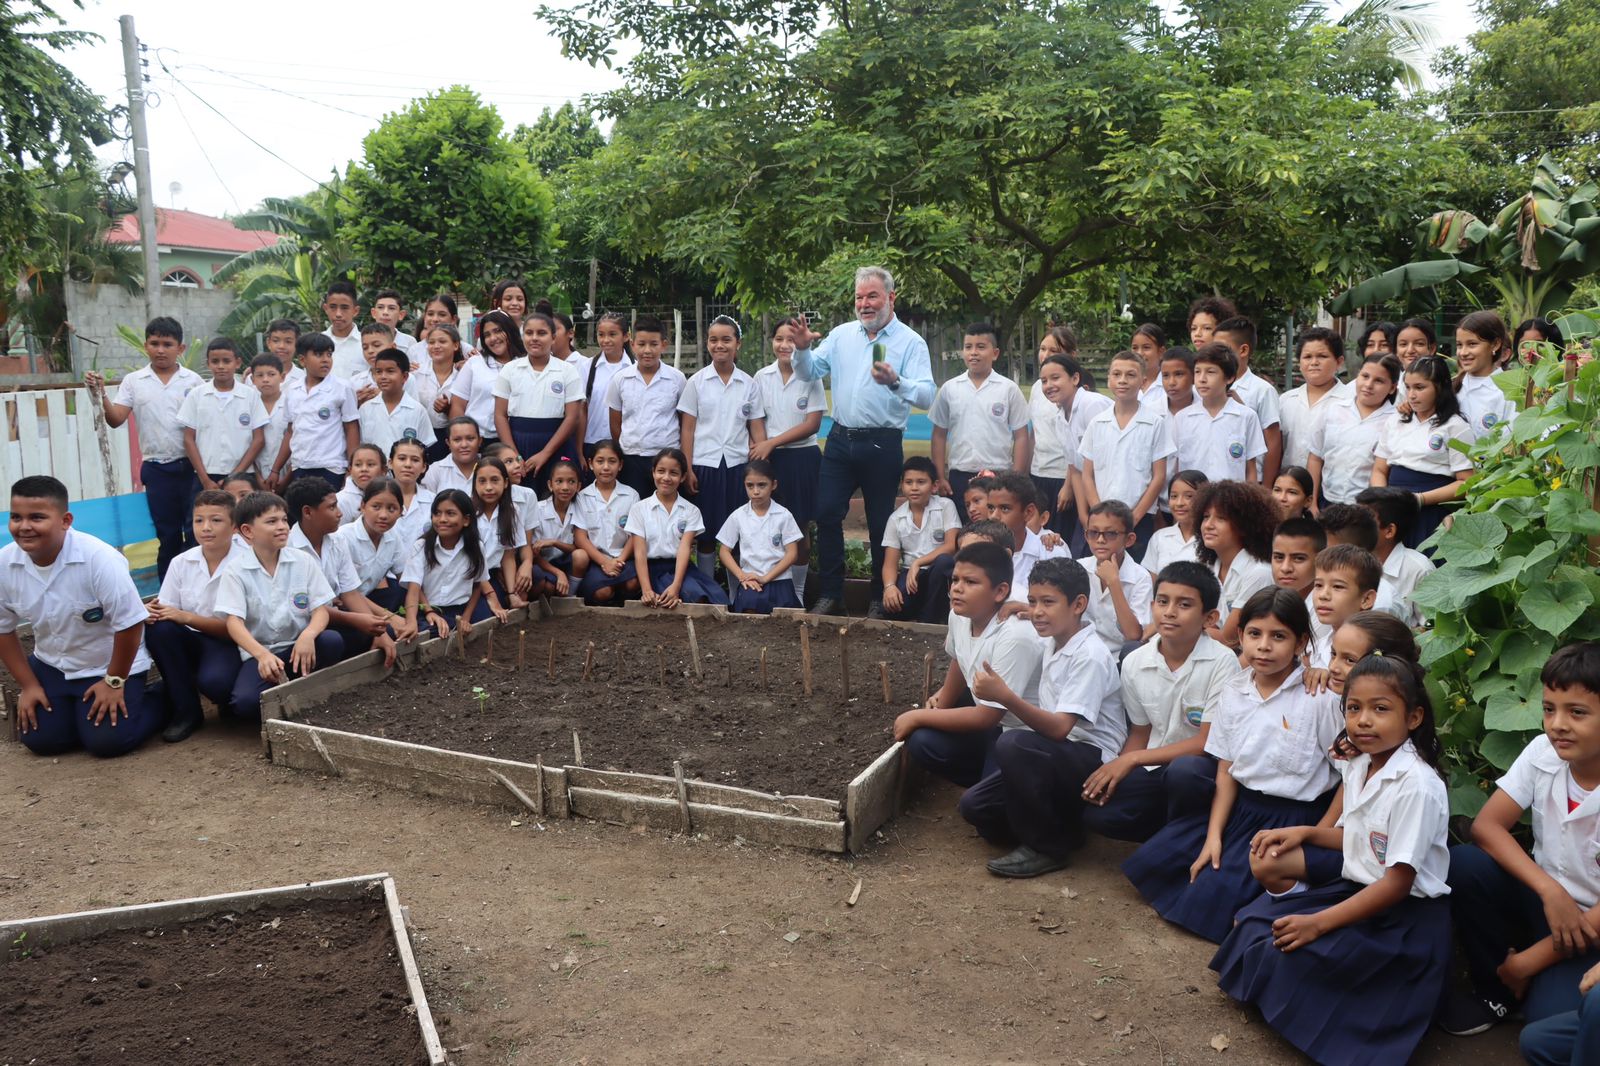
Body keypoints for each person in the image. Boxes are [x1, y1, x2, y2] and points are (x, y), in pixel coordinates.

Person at [1211, 654, 1451, 1066]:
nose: (1363, 721)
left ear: (1413, 718)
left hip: (1402, 917)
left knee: (1296, 950)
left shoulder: (1418, 786)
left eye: (1380, 709)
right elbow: (1357, 837)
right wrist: (1305, 833)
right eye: (1354, 708)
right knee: (1256, 928)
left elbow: (1396, 882)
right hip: (1358, 889)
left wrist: (1318, 921)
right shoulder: (1360, 763)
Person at [1122, 588, 1341, 943]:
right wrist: (1214, 836)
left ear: (1301, 642)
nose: (1264, 646)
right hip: (1243, 811)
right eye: (1255, 634)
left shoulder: (1320, 698)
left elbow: (1348, 775)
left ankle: (1291, 891)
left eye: (1279, 636)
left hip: (1297, 818)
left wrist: (1319, 837)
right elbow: (1226, 769)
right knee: (1165, 862)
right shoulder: (1234, 690)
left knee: (1218, 901)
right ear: (1239, 637)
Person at [1443, 642, 1600, 1037]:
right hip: (1546, 904)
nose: (1557, 724)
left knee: (1545, 1026)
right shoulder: (1544, 752)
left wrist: (1528, 962)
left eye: (1577, 712)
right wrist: (1549, 891)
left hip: (1592, 929)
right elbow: (1487, 826)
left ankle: (1517, 973)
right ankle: (1498, 991)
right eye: (1549, 708)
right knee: (1466, 864)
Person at [957, 557, 1125, 878]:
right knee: (975, 806)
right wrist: (1028, 607)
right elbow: (1041, 613)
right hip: (1058, 753)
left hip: (1091, 760)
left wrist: (1005, 696)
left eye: (1048, 602)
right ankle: (1065, 826)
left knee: (1012, 742)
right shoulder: (1057, 638)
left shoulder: (1088, 655)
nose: (1037, 611)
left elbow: (1061, 729)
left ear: (1079, 605)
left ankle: (1048, 847)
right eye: (1033, 601)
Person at [791, 266, 936, 617]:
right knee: (825, 514)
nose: (865, 303)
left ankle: (877, 597)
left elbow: (928, 395)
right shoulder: (841, 335)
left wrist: (896, 381)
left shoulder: (910, 342)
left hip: (882, 443)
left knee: (880, 523)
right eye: (859, 297)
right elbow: (810, 372)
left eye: (872, 296)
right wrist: (801, 350)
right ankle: (830, 593)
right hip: (840, 439)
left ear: (891, 297)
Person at [0, 476, 162, 756]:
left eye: (37, 517)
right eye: (16, 517)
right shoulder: (5, 563)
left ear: (65, 520)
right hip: (53, 664)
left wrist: (114, 681)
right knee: (41, 740)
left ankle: (164, 697)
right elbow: (3, 629)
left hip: (109, 664)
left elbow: (131, 624)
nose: (24, 527)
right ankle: (77, 715)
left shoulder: (99, 559)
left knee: (108, 742)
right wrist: (28, 685)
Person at [1083, 561, 1240, 842]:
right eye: (1163, 601)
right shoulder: (1134, 662)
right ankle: (1170, 828)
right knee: (1098, 814)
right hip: (1155, 765)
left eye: (1184, 604)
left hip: (1201, 770)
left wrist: (1131, 759)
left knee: (1184, 772)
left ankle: (1182, 835)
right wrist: (1118, 770)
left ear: (1209, 617)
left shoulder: (1223, 662)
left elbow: (1205, 742)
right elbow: (1140, 732)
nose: (1169, 612)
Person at [893, 541, 1043, 788]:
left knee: (983, 811)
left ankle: (998, 783)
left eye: (971, 582)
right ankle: (987, 777)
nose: (957, 589)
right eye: (955, 580)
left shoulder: (1015, 635)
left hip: (1023, 734)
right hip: (993, 727)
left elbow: (987, 717)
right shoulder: (959, 615)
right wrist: (941, 707)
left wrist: (918, 716)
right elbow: (958, 659)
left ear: (1000, 591)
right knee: (923, 743)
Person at [85, 315, 203, 579]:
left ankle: (197, 589)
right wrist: (101, 393)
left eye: (167, 344)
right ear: (146, 346)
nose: (160, 349)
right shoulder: (134, 381)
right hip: (157, 468)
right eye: (155, 343)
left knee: (196, 532)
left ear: (180, 348)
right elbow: (115, 419)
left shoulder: (193, 381)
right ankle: (168, 595)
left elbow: (206, 425)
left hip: (193, 469)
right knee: (168, 534)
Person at [215, 490, 343, 721]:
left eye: (284, 519)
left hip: (299, 647)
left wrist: (308, 635)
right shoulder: (236, 571)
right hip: (263, 652)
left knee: (331, 641)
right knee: (245, 703)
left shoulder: (302, 560)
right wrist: (262, 655)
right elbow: (234, 622)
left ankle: (304, 692)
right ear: (247, 531)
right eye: (271, 521)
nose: (282, 526)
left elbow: (320, 609)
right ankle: (290, 692)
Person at [144, 489, 244, 742]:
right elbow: (166, 609)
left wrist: (185, 617)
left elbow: (239, 628)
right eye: (199, 520)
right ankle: (186, 711)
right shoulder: (181, 562)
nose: (206, 528)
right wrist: (149, 611)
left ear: (234, 527)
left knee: (217, 685)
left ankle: (223, 695)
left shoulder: (246, 562)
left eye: (216, 520)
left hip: (232, 640)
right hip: (193, 640)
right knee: (159, 628)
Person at [679, 315, 765, 583]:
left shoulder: (749, 384)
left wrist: (761, 465)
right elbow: (688, 429)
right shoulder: (696, 382)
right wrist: (688, 468)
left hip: (738, 467)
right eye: (714, 340)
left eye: (726, 340)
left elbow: (756, 427)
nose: (720, 345)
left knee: (737, 533)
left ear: (737, 344)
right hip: (705, 466)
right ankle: (708, 590)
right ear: (707, 344)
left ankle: (736, 591)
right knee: (705, 534)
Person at [283, 477, 397, 664]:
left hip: (335, 618)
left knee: (384, 631)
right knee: (331, 642)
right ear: (308, 512)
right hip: (305, 627)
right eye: (332, 507)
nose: (339, 513)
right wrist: (357, 619)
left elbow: (350, 592)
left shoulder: (337, 540)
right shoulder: (289, 548)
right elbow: (307, 609)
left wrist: (375, 627)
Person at [751, 317, 824, 602]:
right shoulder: (761, 377)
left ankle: (798, 592)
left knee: (798, 527)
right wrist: (762, 449)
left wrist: (771, 442)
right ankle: (768, 589)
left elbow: (813, 424)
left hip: (802, 460)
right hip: (770, 460)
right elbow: (756, 418)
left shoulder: (811, 375)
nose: (785, 345)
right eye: (779, 339)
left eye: (791, 340)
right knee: (768, 524)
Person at [1079, 350, 1174, 559]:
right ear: (1109, 378)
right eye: (1116, 374)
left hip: (1139, 519)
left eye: (1131, 375)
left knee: (1135, 574)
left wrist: (1135, 516)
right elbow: (1087, 474)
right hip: (1102, 522)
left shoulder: (1155, 423)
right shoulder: (1097, 423)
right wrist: (1098, 512)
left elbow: (1159, 476)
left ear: (1143, 380)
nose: (1123, 380)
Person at [1372, 355, 1473, 549]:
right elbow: (1379, 469)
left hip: (1432, 511)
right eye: (1408, 387)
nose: (1411, 395)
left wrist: (1419, 499)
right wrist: (1382, 498)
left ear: (1440, 387)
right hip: (1393, 510)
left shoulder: (1455, 426)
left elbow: (1467, 483)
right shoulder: (1396, 421)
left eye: (1420, 387)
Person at [929, 322, 1030, 504]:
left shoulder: (1008, 389)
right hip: (959, 474)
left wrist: (1016, 478)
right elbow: (939, 435)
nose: (973, 352)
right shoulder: (949, 389)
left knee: (997, 528)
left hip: (999, 475)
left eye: (981, 347)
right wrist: (940, 476)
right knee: (963, 528)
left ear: (995, 353)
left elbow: (1021, 436)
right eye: (968, 347)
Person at [395, 489, 506, 641]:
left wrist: (465, 618)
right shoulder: (421, 546)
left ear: (466, 520)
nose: (442, 519)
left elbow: (478, 584)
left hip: (460, 609)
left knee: (483, 627)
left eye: (450, 513)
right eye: (437, 513)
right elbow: (414, 589)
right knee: (427, 633)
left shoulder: (476, 547)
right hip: (428, 608)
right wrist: (426, 613)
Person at [495, 310, 584, 494]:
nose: (534, 338)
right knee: (520, 499)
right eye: (529, 333)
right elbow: (500, 415)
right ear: (522, 336)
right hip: (518, 443)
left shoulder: (567, 371)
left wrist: (545, 453)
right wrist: (514, 456)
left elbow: (572, 417)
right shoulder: (510, 370)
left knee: (557, 497)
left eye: (541, 333)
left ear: (553, 338)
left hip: (556, 443)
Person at [625, 447, 727, 607]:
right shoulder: (639, 509)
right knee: (694, 596)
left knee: (717, 598)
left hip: (681, 567)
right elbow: (640, 551)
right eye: (661, 471)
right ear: (653, 472)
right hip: (653, 569)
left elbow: (685, 548)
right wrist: (646, 589)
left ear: (683, 477)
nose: (666, 477)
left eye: (673, 473)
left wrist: (676, 586)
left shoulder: (691, 510)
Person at [269, 332, 359, 494]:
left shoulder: (342, 387)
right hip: (300, 466)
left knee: (328, 513)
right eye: (318, 354)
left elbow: (351, 428)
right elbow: (291, 431)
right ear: (302, 360)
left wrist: (352, 467)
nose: (325, 359)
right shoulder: (293, 390)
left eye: (329, 354)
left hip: (331, 466)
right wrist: (276, 469)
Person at [606, 315, 686, 497]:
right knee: (635, 508)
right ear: (633, 344)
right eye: (641, 344)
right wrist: (628, 448)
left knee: (667, 506)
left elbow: (683, 420)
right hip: (632, 458)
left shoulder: (677, 379)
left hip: (667, 458)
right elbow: (615, 423)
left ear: (664, 345)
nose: (647, 350)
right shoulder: (620, 379)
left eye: (654, 344)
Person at [178, 337, 269, 497]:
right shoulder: (196, 395)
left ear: (238, 363)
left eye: (226, 361)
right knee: (206, 518)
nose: (221, 366)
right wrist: (204, 479)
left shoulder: (250, 395)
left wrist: (234, 477)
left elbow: (259, 439)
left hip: (243, 475)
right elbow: (188, 439)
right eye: (215, 361)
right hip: (207, 475)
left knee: (243, 518)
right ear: (208, 363)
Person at [1308, 353, 1400, 510]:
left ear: (1392, 387)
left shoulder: (1395, 421)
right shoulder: (1332, 411)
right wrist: (1313, 503)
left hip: (1366, 508)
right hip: (1327, 501)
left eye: (1378, 381)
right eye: (1365, 376)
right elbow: (1315, 457)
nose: (1368, 384)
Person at [1194, 479, 1277, 648]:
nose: (1208, 525)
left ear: (1244, 526)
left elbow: (1229, 638)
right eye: (1205, 517)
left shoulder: (1259, 572)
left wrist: (1189, 626)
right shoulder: (1205, 566)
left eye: (1221, 518)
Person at [880, 456, 960, 624]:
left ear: (934, 486)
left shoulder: (946, 506)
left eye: (921, 482)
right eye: (909, 482)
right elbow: (890, 563)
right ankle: (922, 613)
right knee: (893, 607)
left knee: (944, 562)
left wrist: (918, 563)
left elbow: (951, 546)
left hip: (938, 572)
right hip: (911, 575)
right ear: (902, 486)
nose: (914, 488)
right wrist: (889, 587)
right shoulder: (896, 519)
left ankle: (928, 619)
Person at [717, 459, 804, 614]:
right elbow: (724, 551)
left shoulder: (784, 515)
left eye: (762, 485)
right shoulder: (738, 516)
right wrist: (742, 576)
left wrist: (765, 578)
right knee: (750, 610)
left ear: (774, 485)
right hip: (750, 580)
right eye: (750, 486)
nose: (756, 491)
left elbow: (792, 554)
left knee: (784, 617)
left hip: (780, 579)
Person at [1173, 344, 1267, 485]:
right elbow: (1176, 466)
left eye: (1210, 372)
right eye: (1197, 372)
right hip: (1193, 500)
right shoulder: (1182, 418)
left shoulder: (1246, 416)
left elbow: (1251, 469)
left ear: (1229, 378)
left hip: (1233, 500)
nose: (1202, 379)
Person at [1078, 500, 1152, 658]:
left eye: (1110, 533)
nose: (1100, 540)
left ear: (1129, 539)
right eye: (1093, 533)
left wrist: (1114, 583)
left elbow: (1133, 635)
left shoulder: (1140, 577)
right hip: (1082, 653)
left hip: (1119, 658)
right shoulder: (1079, 568)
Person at [1213, 317, 1283, 485]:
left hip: (1250, 481)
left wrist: (1265, 489)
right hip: (1215, 477)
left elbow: (1273, 444)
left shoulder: (1262, 391)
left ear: (1243, 350)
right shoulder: (1207, 387)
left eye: (1222, 349)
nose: (1216, 355)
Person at [572, 440, 642, 606]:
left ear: (620, 465)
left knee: (632, 584)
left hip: (624, 558)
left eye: (612, 461)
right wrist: (604, 562)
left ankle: (622, 598)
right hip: (596, 559)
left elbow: (635, 535)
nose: (606, 467)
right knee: (602, 592)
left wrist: (619, 561)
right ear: (590, 464)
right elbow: (580, 537)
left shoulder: (631, 495)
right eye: (600, 461)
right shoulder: (583, 497)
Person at [1354, 486, 1435, 628]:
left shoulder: (1420, 569)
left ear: (1389, 531)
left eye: (1364, 521)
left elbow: (1430, 629)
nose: (1353, 526)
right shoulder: (1348, 562)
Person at [1029, 327, 1082, 539]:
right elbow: (1035, 431)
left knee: (1060, 538)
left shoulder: (1077, 390)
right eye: (1043, 349)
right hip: (1038, 474)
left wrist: (1069, 485)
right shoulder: (1036, 388)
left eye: (1054, 350)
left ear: (1072, 355)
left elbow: (1079, 445)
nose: (1046, 355)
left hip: (1063, 477)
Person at [331, 478, 408, 613]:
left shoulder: (393, 537)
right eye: (376, 507)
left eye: (392, 509)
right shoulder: (344, 538)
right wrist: (390, 618)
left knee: (397, 592)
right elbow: (348, 593)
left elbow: (407, 578)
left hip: (367, 601)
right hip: (340, 607)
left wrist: (427, 610)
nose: (383, 515)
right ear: (363, 506)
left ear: (400, 510)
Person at [1278, 327, 1349, 472]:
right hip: (1288, 485)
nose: (1314, 362)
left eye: (1322, 356)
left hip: (1329, 488)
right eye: (1307, 357)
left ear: (1339, 361)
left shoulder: (1351, 400)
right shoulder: (1286, 400)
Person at [450, 308, 521, 443]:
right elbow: (457, 405)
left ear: (510, 330)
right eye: (487, 335)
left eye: (498, 331)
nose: (493, 338)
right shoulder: (475, 363)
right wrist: (462, 439)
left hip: (516, 438)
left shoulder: (525, 363)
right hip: (478, 440)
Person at [473, 456, 532, 606]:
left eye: (495, 480)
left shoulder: (513, 511)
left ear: (505, 483)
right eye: (482, 481)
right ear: (474, 484)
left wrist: (512, 593)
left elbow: (508, 555)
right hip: (468, 576)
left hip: (491, 574)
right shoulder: (467, 511)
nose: (488, 487)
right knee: (484, 615)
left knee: (514, 600)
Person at [1310, 544, 1381, 667]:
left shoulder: (1376, 652)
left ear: (1366, 599)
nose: (1323, 595)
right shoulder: (1317, 646)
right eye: (1318, 585)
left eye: (1338, 586)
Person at [578, 312, 635, 465]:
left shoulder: (635, 369)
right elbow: (582, 409)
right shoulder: (587, 368)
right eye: (601, 335)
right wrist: (579, 450)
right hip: (591, 442)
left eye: (612, 334)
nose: (606, 340)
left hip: (624, 446)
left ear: (626, 336)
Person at [357, 349, 435, 457]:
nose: (383, 376)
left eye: (390, 371)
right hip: (374, 471)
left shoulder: (417, 410)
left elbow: (424, 446)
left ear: (404, 377)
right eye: (378, 371)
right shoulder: (365, 409)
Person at [1454, 311, 1517, 440]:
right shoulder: (1451, 387)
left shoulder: (1509, 393)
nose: (1463, 352)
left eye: (1472, 344)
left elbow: (1510, 444)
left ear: (1495, 344)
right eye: (1459, 345)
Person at [529, 459, 585, 597]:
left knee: (581, 555)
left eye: (571, 482)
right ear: (550, 485)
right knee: (547, 587)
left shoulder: (582, 508)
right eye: (559, 481)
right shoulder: (538, 509)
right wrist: (558, 573)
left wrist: (554, 542)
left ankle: (571, 595)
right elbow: (533, 553)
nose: (565, 487)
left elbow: (579, 547)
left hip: (568, 563)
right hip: (545, 564)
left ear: (578, 486)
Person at [1142, 470, 1206, 580]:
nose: (1179, 503)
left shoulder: (1211, 537)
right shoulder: (1160, 537)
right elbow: (1151, 584)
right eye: (1174, 496)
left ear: (1205, 498)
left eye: (1189, 496)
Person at [415, 321, 464, 463]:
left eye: (442, 341)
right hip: (421, 437)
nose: (436, 346)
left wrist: (448, 409)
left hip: (450, 438)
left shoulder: (463, 376)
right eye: (431, 342)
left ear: (455, 345)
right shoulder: (415, 375)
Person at [250, 354, 292, 487]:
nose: (266, 380)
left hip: (288, 475)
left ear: (283, 377)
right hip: (257, 476)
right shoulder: (248, 405)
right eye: (260, 375)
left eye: (271, 374)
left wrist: (285, 480)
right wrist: (258, 478)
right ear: (252, 379)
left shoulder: (291, 403)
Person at [386, 437, 435, 546]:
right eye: (402, 458)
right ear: (390, 463)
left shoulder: (434, 501)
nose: (408, 464)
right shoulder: (377, 498)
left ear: (424, 467)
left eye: (415, 460)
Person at [423, 416, 483, 496]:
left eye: (470, 439)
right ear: (448, 443)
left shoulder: (490, 467)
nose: (464, 445)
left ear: (480, 441)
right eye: (457, 440)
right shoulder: (435, 471)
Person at [1271, 515, 1326, 604]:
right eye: (1279, 557)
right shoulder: (1265, 603)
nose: (1285, 568)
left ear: (1320, 560)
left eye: (1299, 558)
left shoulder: (1324, 611)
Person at [321, 280, 364, 381]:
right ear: (326, 308)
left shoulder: (366, 345)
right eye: (333, 307)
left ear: (355, 311)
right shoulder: (316, 344)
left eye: (344, 308)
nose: (338, 314)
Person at [337, 444, 387, 523]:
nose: (364, 469)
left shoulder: (389, 496)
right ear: (350, 469)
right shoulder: (341, 501)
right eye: (358, 465)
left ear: (383, 470)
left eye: (370, 464)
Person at [370, 289, 422, 365]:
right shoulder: (361, 340)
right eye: (380, 307)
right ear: (373, 313)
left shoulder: (409, 343)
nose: (385, 312)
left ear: (401, 315)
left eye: (391, 308)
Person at [1130, 323, 1170, 412]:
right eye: (1135, 348)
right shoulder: (1126, 383)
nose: (1139, 353)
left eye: (1146, 347)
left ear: (1161, 352)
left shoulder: (1169, 386)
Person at [353, 322, 395, 403]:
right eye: (365, 348)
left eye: (376, 345)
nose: (370, 351)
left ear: (392, 347)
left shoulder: (405, 379)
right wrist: (358, 403)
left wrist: (385, 397)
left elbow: (414, 411)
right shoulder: (355, 382)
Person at [260, 318, 305, 390]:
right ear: (268, 343)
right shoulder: (254, 378)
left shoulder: (304, 378)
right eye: (276, 341)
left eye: (288, 341)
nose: (282, 346)